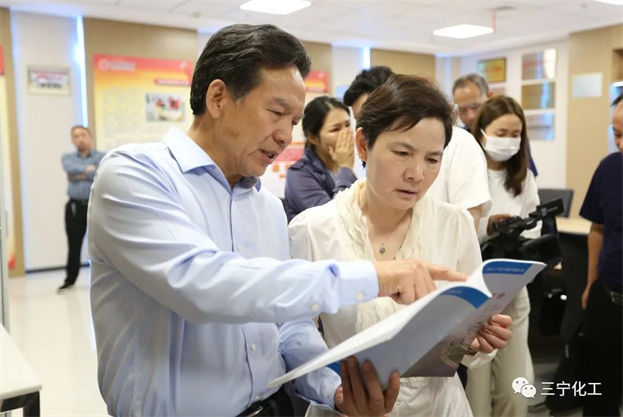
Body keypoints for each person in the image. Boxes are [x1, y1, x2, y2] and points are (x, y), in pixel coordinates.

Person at [87, 24, 470, 417]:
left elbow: (289, 327)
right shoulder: (135, 177)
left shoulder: (266, 208)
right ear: (218, 98)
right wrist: (375, 277)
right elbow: (204, 284)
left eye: (293, 121)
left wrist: (335, 389)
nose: (286, 136)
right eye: (276, 113)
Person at [289, 74, 513, 416]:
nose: (416, 174)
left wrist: (472, 341)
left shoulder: (454, 225)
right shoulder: (314, 230)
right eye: (402, 153)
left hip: (439, 408)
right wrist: (335, 391)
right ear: (363, 145)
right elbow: (295, 338)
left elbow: (468, 343)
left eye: (432, 159)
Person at [466, 96, 540, 417]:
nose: (509, 141)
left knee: (514, 390)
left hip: (512, 290)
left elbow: (534, 231)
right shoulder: (467, 173)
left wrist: (515, 233)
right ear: (482, 131)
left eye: (515, 134)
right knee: (477, 396)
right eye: (501, 133)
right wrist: (489, 226)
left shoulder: (523, 178)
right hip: (474, 294)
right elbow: (458, 230)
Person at [579, 94, 622, 417]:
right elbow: (597, 228)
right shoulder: (609, 169)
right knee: (599, 396)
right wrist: (591, 282)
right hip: (607, 298)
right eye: (617, 134)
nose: (621, 143)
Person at [284, 96, 357, 222]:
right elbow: (334, 222)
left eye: (348, 125)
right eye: (336, 129)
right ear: (312, 137)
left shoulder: (340, 167)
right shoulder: (299, 174)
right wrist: (345, 167)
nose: (346, 133)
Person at [453, 73, 538, 177]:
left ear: (490, 96)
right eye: (462, 110)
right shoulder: (458, 140)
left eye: (475, 107)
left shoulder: (512, 135)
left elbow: (526, 176)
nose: (470, 116)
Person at [57, 125, 104, 294]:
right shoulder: (68, 158)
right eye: (75, 136)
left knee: (103, 245)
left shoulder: (101, 157)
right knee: (74, 245)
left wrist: (78, 175)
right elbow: (70, 169)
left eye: (82, 135)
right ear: (72, 140)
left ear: (90, 137)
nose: (79, 139)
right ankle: (69, 281)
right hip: (75, 208)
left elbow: (99, 172)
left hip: (97, 206)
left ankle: (104, 280)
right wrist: (88, 171)